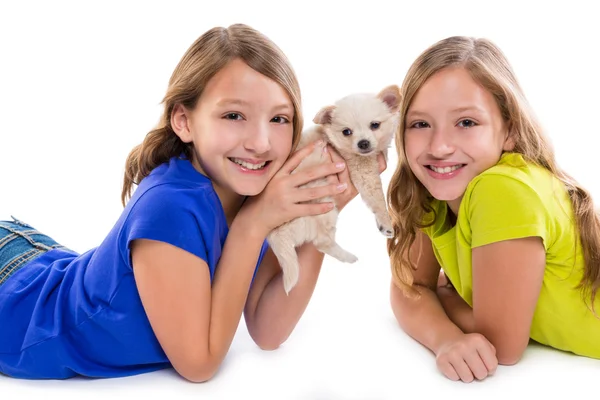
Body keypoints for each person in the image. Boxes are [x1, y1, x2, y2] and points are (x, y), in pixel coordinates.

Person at [0, 23, 384, 382]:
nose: (261, 142)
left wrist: (322, 205)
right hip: (18, 311)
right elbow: (198, 364)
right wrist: (253, 225)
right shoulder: (171, 207)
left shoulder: (256, 190)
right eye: (234, 115)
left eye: (280, 119)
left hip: (42, 264)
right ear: (184, 121)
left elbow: (269, 329)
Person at [386, 36, 600, 383]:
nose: (439, 146)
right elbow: (408, 285)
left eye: (467, 123)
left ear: (509, 131)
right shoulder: (436, 190)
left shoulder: (501, 189)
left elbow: (501, 345)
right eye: (420, 124)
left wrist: (442, 295)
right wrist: (445, 338)